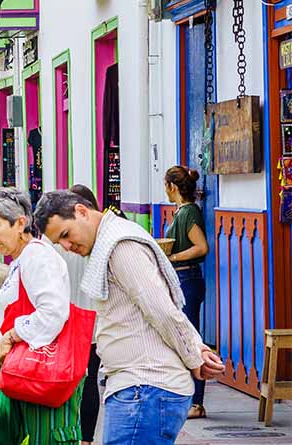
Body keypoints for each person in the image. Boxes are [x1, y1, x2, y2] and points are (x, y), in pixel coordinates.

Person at [34, 191, 225, 445]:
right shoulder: (107, 243)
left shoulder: (120, 246)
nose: (67, 247)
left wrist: (194, 355)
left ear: (81, 211)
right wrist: (195, 349)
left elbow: (162, 310)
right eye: (59, 243)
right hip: (139, 389)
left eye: (66, 234)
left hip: (145, 389)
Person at [0, 188, 83, 445]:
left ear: (20, 223)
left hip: (43, 374)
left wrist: (12, 335)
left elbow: (53, 311)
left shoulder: (37, 256)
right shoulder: (22, 259)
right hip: (28, 374)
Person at [163, 166, 211, 419]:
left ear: (172, 186)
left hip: (188, 278)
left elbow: (201, 247)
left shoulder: (189, 212)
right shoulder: (181, 212)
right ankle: (189, 398)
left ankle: (197, 402)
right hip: (182, 278)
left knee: (192, 340)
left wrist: (172, 257)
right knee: (184, 337)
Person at [61, 184, 105, 445]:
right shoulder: (99, 240)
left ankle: (67, 434)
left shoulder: (60, 242)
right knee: (90, 381)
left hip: (67, 321)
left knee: (68, 382)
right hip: (93, 323)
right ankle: (86, 440)